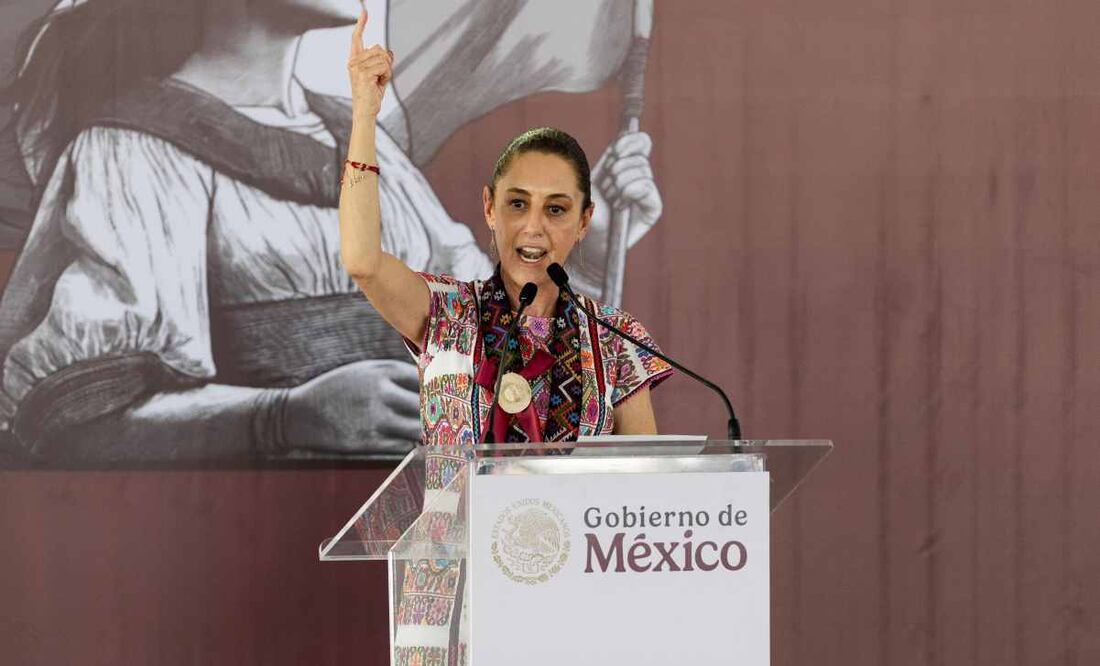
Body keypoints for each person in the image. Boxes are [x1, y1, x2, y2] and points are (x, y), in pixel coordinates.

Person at [0, 0, 661, 463]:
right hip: (254, 537)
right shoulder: (134, 152)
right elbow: (74, 421)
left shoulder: (361, 140)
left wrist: (589, 253)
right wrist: (284, 417)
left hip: (421, 525)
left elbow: (498, 338)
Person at [340, 15, 672, 663]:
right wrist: (362, 115)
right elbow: (362, 260)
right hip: (446, 607)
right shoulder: (446, 312)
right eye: (517, 204)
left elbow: (646, 495)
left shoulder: (615, 339)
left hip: (572, 607)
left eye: (556, 209)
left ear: (585, 221)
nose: (533, 227)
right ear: (489, 209)